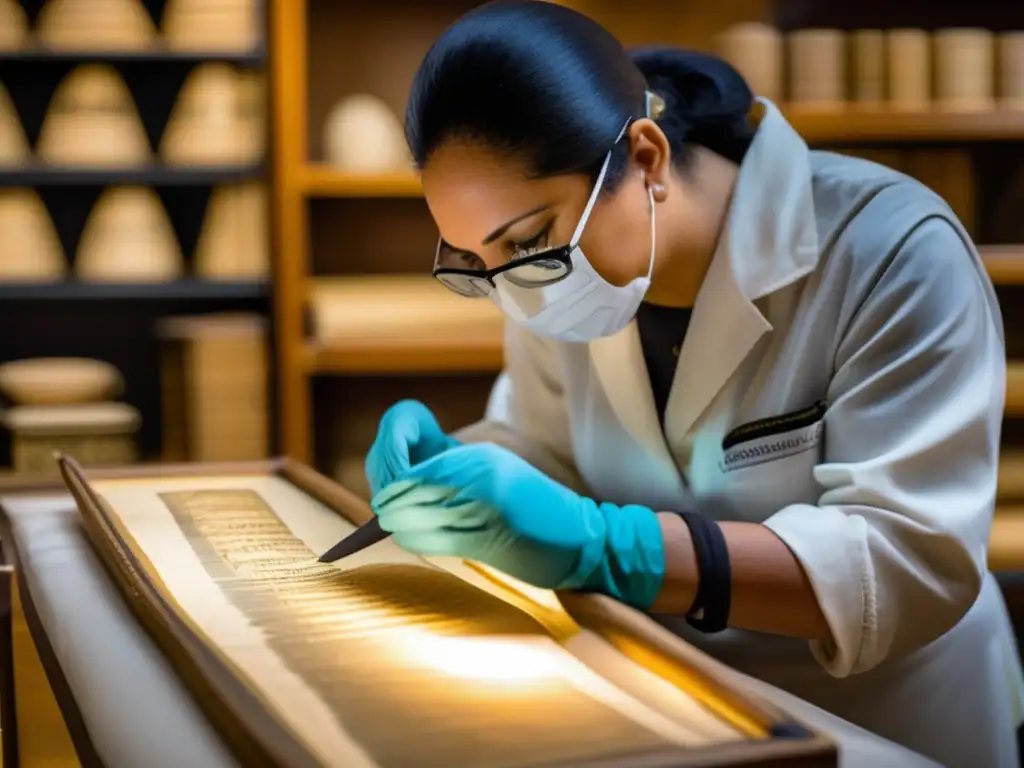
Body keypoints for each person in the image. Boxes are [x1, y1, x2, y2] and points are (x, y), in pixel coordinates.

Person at [363, 2, 1024, 765]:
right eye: (477, 263)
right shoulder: (551, 282)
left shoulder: (890, 251)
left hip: (881, 719)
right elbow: (547, 446)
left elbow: (900, 564)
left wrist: (612, 549)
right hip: (678, 701)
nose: (516, 292)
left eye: (528, 240)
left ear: (645, 158)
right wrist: (450, 465)